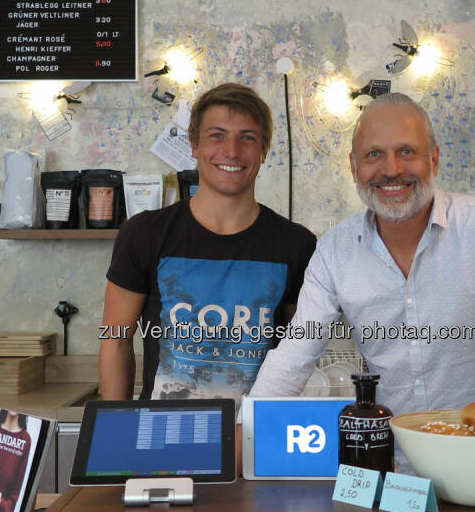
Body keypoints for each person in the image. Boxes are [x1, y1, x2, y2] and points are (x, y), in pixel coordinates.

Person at [249, 91, 475, 512]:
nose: (391, 169)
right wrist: (245, 440)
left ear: (433, 160)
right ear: (354, 166)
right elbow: (292, 358)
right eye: (374, 154)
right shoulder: (335, 251)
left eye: (406, 152)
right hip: (391, 482)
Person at [99, 83, 317, 406]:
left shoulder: (297, 244)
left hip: (254, 438)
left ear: (264, 150)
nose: (231, 150)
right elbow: (115, 342)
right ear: (194, 145)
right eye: (217, 135)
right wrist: (112, 433)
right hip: (165, 438)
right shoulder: (144, 234)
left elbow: (299, 352)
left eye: (247, 137)